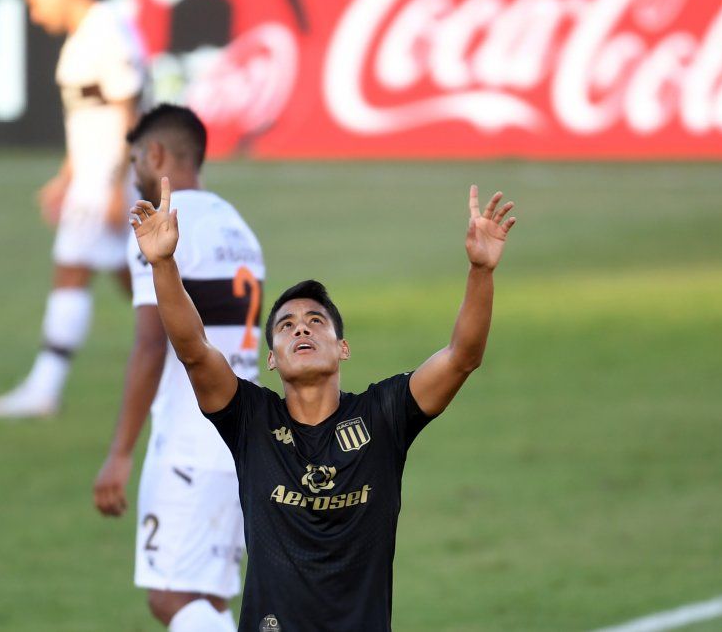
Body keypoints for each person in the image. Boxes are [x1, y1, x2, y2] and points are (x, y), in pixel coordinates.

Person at [129, 179, 517, 630]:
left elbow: (461, 357)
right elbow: (194, 349)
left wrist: (481, 272)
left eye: (316, 321)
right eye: (287, 325)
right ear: (270, 358)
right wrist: (163, 264)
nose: (301, 330)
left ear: (342, 348)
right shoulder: (250, 421)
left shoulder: (383, 416)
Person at [93, 105, 264, 631]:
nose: (135, 171)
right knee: (208, 602)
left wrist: (119, 453)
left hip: (191, 442)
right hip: (242, 436)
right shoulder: (238, 227)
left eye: (138, 157)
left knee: (169, 598)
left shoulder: (160, 225)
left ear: (160, 155)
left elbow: (150, 345)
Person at [0, 0, 148, 418]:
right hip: (97, 181)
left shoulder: (107, 31)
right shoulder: (83, 39)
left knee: (76, 271)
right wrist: (66, 177)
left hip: (113, 182)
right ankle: (202, 356)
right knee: (136, 280)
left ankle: (44, 388)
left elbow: (130, 113)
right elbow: (89, 124)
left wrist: (121, 185)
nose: (35, 13)